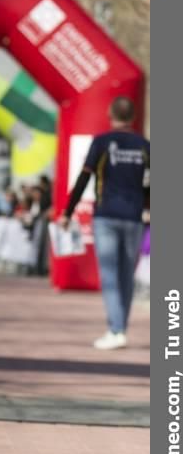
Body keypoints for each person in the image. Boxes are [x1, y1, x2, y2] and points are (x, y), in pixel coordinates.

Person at [60, 96, 149, 350]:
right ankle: (120, 328)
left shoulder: (101, 142)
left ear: (111, 114)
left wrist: (68, 212)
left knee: (110, 275)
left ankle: (116, 329)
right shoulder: (145, 146)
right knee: (126, 276)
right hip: (134, 218)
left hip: (106, 217)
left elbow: (84, 178)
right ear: (133, 117)